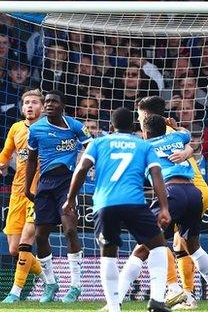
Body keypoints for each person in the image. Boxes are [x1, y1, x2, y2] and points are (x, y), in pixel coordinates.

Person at [63, 107, 172, 312]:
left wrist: (70, 199)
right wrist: (164, 207)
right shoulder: (143, 145)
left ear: (112, 126)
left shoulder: (98, 142)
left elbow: (82, 169)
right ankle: (157, 299)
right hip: (134, 203)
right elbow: (156, 174)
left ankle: (114, 307)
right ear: (133, 127)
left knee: (108, 254)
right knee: (158, 245)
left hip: (105, 204)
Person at [115, 96, 208, 310]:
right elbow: (187, 137)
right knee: (190, 245)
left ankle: (116, 299)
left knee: (145, 246)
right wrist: (184, 146)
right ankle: (180, 292)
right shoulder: (177, 135)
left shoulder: (145, 145)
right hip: (194, 192)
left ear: (146, 123)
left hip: (172, 193)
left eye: (139, 117)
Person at [24, 90, 91, 303]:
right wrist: (28, 187)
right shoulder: (36, 129)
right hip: (45, 185)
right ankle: (51, 284)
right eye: (47, 102)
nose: (49, 105)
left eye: (54, 101)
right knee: (41, 235)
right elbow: (31, 160)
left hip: (67, 184)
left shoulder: (76, 127)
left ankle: (76, 286)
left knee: (70, 230)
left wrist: (85, 167)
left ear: (63, 105)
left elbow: (92, 148)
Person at [0, 89, 44, 303]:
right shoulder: (16, 128)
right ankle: (48, 279)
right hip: (17, 192)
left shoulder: (48, 130)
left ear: (42, 107)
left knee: (26, 242)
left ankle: (15, 291)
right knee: (14, 248)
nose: (30, 106)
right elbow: (6, 152)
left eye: (34, 102)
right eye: (26, 103)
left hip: (39, 194)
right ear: (22, 107)